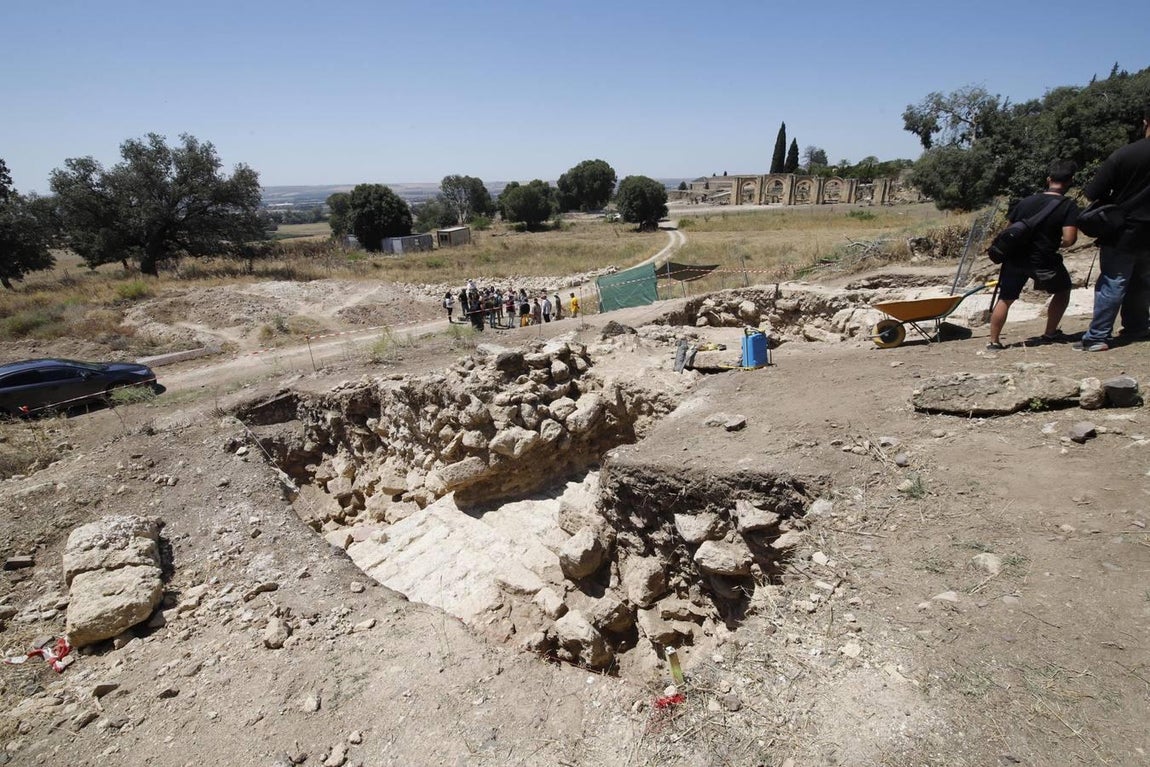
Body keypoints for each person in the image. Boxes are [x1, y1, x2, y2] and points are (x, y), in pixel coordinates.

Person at [1074, 106, 1150, 351]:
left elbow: (1092, 193)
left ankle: (1098, 336)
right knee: (1141, 282)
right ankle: (1138, 327)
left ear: (1145, 121)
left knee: (1113, 281)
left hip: (1123, 230)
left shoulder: (1125, 155)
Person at [987, 160, 1079, 350]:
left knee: (1006, 298)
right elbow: (1069, 238)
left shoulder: (1025, 202)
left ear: (1048, 179)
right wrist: (1055, 242)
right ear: (1070, 181)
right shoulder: (1068, 205)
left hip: (1015, 258)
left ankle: (994, 341)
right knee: (1062, 291)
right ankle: (1050, 333)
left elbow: (1008, 231)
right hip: (1043, 259)